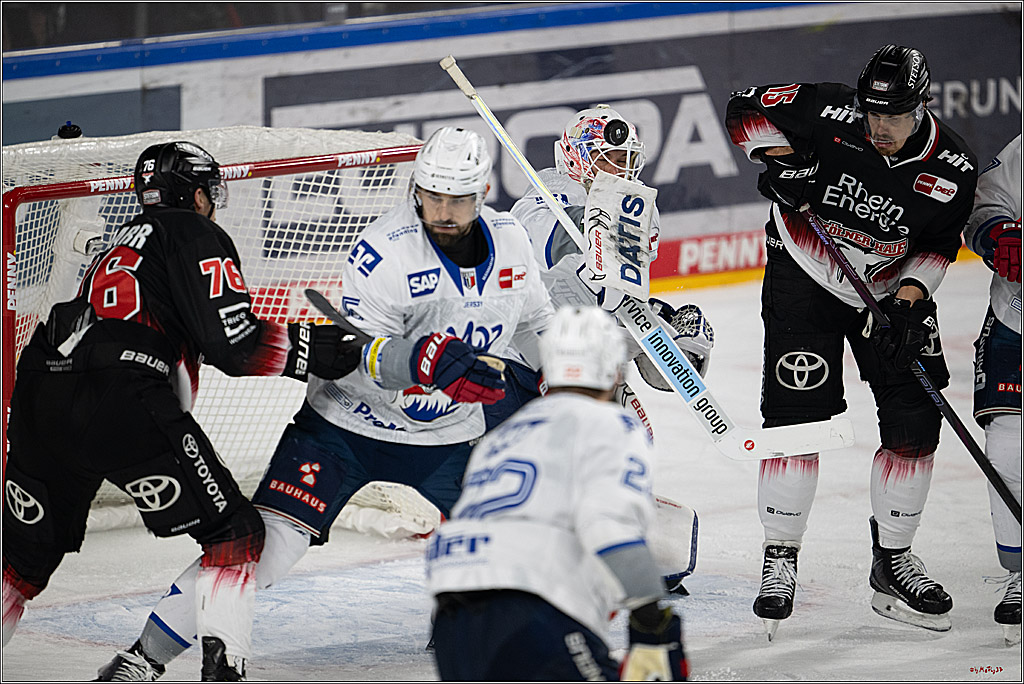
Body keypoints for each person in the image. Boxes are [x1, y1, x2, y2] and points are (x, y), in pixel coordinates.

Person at [93, 126, 555, 680]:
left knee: (515, 542)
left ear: (482, 192)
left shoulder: (512, 242)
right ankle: (141, 658)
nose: (444, 211)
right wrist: (432, 367)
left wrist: (559, 375)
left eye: (457, 198)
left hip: (448, 439)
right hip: (344, 429)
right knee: (266, 547)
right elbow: (366, 358)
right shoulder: (384, 251)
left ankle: (461, 616)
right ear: (417, 190)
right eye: (433, 196)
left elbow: (536, 321)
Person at [2, 141, 367, 679]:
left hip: (38, 397)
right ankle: (222, 672)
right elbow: (233, 344)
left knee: (18, 567)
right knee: (235, 534)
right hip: (120, 393)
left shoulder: (116, 245)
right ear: (196, 195)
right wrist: (314, 349)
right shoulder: (195, 232)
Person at [724, 44, 978, 637]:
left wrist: (912, 301)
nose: (879, 127)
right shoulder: (828, 109)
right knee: (795, 418)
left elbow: (940, 245)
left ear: (923, 107)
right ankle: (780, 555)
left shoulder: (953, 168)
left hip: (890, 293)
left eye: (894, 115)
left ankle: (892, 560)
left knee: (916, 417)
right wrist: (782, 160)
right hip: (803, 277)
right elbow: (742, 109)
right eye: (872, 113)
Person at [508, 104, 713, 594]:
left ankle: (608, 542)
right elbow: (554, 246)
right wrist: (597, 224)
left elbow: (622, 306)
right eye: (606, 158)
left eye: (625, 158)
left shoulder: (635, 207)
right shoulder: (543, 196)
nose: (618, 169)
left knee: (633, 439)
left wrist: (673, 337)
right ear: (578, 159)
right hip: (525, 362)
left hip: (588, 357)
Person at [426, 305, 688, 681]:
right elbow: (606, 524)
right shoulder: (611, 423)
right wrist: (652, 617)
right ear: (615, 371)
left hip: (453, 616)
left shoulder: (504, 435)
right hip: (534, 607)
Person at [963, 134, 1021, 646]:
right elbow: (986, 202)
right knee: (1007, 445)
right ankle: (1019, 572)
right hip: (1015, 321)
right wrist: (997, 234)